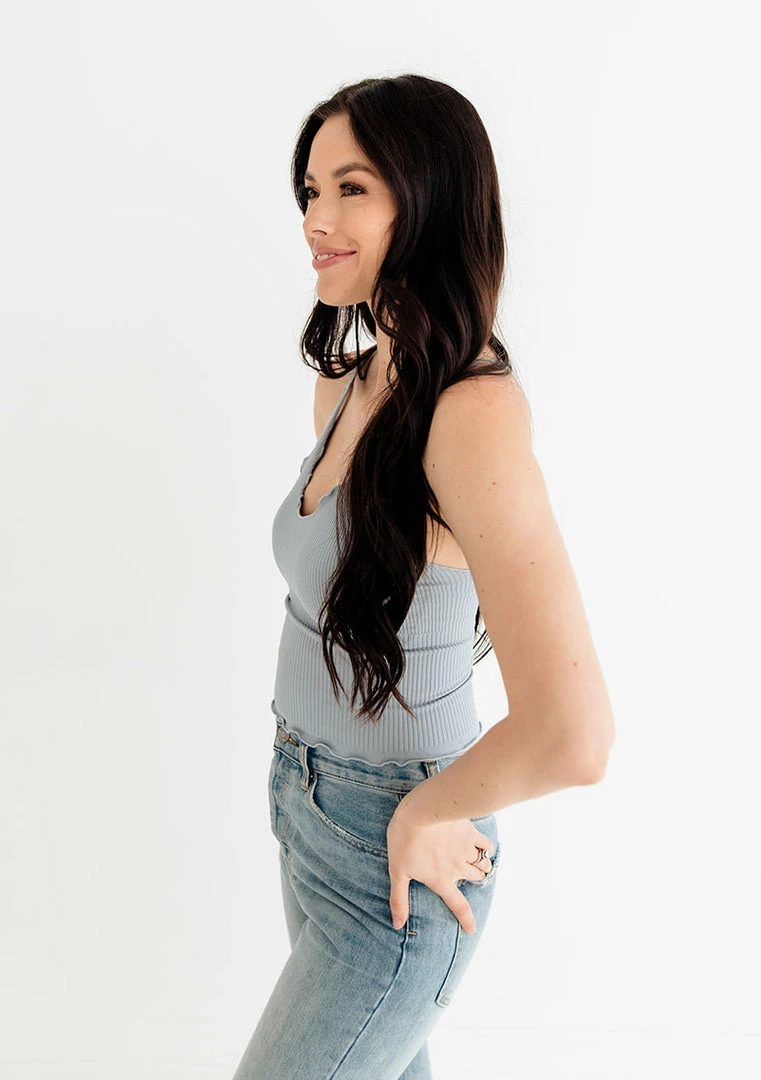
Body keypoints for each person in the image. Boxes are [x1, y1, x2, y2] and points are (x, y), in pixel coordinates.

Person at [232, 73, 615, 1079]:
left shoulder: (470, 410)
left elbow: (573, 735)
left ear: (430, 198)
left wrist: (426, 808)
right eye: (309, 190)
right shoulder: (350, 382)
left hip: (399, 846)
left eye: (351, 188)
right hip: (304, 805)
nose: (315, 220)